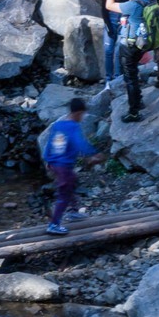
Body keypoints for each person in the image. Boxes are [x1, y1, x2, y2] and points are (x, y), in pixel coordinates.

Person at [42, 98, 106, 235]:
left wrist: (48, 159)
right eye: (82, 114)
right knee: (64, 194)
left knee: (71, 181)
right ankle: (54, 224)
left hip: (55, 163)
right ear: (78, 113)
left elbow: (51, 144)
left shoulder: (58, 125)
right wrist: (94, 153)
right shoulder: (73, 126)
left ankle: (73, 212)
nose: (82, 118)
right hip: (63, 165)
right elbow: (80, 144)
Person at [105, 0, 153, 123]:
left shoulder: (132, 6)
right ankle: (138, 101)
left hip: (130, 45)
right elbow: (136, 1)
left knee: (130, 78)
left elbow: (108, 5)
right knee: (134, 72)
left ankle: (134, 112)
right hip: (142, 43)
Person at [100, 0, 130, 87]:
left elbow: (132, 2)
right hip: (111, 19)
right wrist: (107, 25)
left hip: (123, 20)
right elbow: (104, 7)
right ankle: (108, 79)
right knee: (108, 51)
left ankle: (118, 77)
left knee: (119, 50)